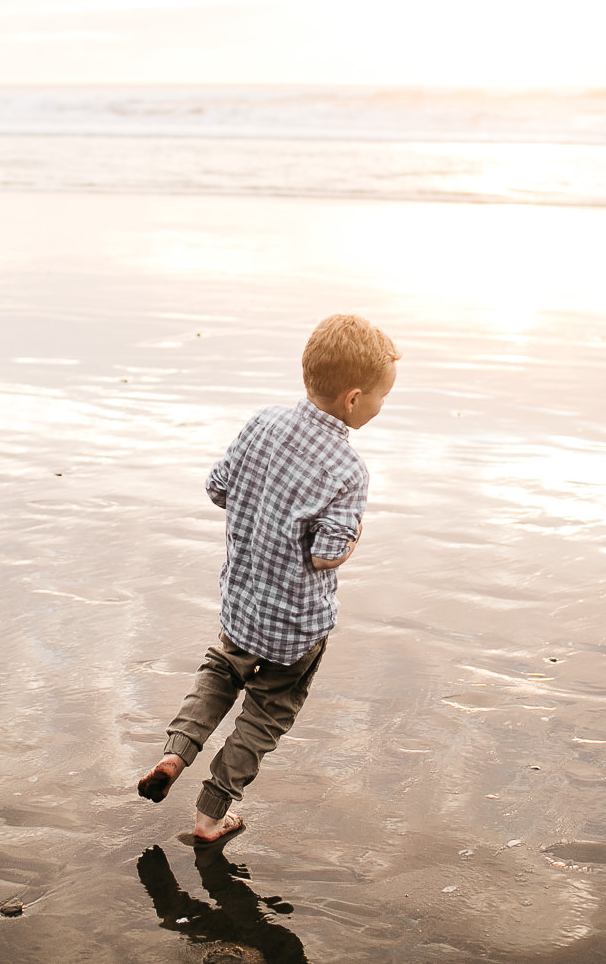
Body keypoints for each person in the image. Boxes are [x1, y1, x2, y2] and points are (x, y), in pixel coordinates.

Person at [137, 313, 400, 843]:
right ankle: (211, 815)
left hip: (242, 605)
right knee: (263, 718)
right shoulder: (348, 471)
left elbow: (217, 488)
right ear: (352, 399)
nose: (380, 406)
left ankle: (174, 755)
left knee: (217, 677)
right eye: (381, 397)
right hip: (297, 627)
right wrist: (354, 535)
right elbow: (325, 555)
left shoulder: (261, 423)